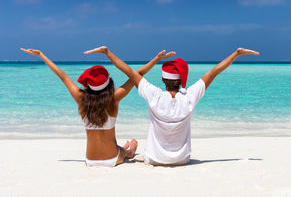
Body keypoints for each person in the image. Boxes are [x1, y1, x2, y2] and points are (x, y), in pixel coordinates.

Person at [84, 46, 259, 166]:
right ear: (181, 80)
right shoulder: (189, 97)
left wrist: (108, 53)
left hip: (153, 159)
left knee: (131, 146)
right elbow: (214, 72)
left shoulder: (155, 95)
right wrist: (236, 54)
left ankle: (130, 148)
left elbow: (130, 71)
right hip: (182, 160)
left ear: (163, 80)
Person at [20, 48, 175, 167]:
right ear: (108, 83)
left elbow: (63, 76)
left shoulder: (81, 98)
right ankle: (129, 150)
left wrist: (42, 56)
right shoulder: (114, 98)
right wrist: (156, 59)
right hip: (112, 159)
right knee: (129, 149)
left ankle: (125, 147)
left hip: (90, 160)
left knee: (120, 145)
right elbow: (136, 75)